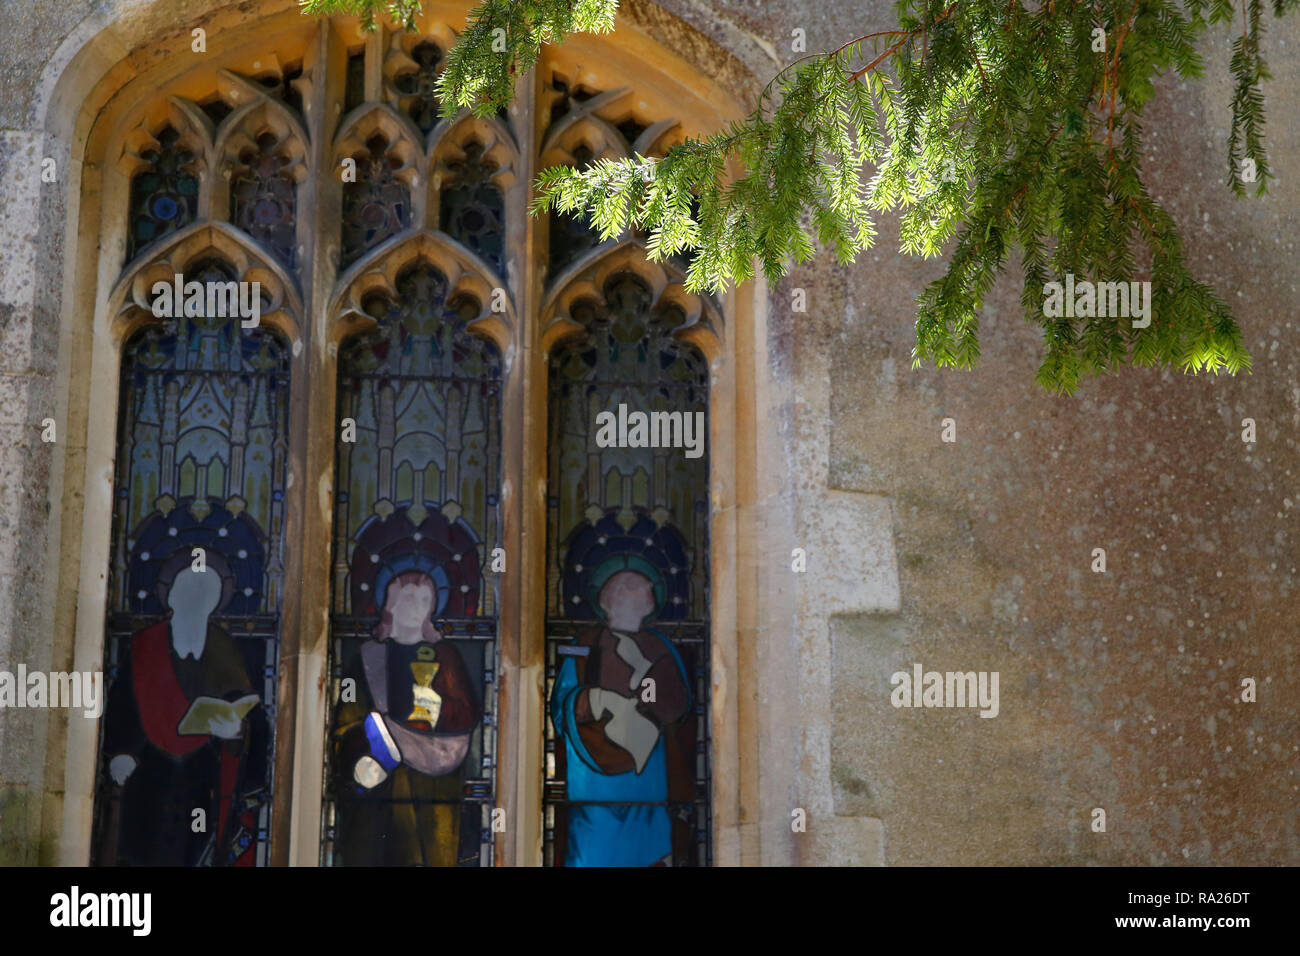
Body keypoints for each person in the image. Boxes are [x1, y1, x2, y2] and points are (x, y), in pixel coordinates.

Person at [97, 552, 266, 866]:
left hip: (203, 779)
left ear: (215, 604)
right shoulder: (146, 646)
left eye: (206, 597)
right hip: (147, 773)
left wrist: (235, 733)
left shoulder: (223, 648)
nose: (196, 603)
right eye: (189, 593)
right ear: (171, 596)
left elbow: (249, 715)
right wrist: (121, 752)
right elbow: (122, 707)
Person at [332, 561, 479, 865]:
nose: (417, 607)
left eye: (426, 600)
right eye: (410, 598)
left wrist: (440, 710)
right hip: (379, 788)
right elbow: (346, 721)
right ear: (392, 603)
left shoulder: (446, 657)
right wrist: (363, 755)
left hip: (434, 790)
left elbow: (466, 713)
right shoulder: (363, 660)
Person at [549, 557, 691, 866]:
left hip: (646, 769)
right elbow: (563, 701)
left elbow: (671, 701)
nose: (639, 602)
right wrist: (592, 700)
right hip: (593, 769)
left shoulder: (659, 647)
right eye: (629, 595)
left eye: (643, 597)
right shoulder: (583, 644)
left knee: (647, 839)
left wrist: (645, 697)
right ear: (608, 603)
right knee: (593, 841)